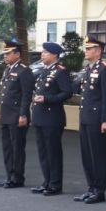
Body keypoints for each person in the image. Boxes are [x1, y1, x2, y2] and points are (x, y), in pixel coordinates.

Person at [75, 36, 106, 204]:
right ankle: (91, 187)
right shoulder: (87, 69)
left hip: (97, 118)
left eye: (89, 48)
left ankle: (99, 190)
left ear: (98, 51)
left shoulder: (105, 70)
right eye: (86, 48)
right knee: (87, 155)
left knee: (98, 155)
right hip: (85, 117)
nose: (86, 51)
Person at [30, 41, 72, 195]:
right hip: (40, 116)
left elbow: (67, 93)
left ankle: (55, 184)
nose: (42, 55)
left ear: (54, 55)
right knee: (43, 152)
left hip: (52, 117)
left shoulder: (60, 71)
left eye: (46, 52)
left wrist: (47, 99)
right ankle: (46, 181)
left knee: (53, 152)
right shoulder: (44, 71)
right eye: (43, 52)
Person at [0, 38, 34, 188]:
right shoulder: (8, 70)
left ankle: (17, 177)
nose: (5, 56)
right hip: (6, 114)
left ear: (17, 54)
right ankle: (9, 175)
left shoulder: (24, 71)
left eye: (8, 53)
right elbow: (4, 93)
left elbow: (26, 94)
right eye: (4, 53)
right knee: (7, 147)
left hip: (17, 115)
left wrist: (23, 114)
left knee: (17, 148)